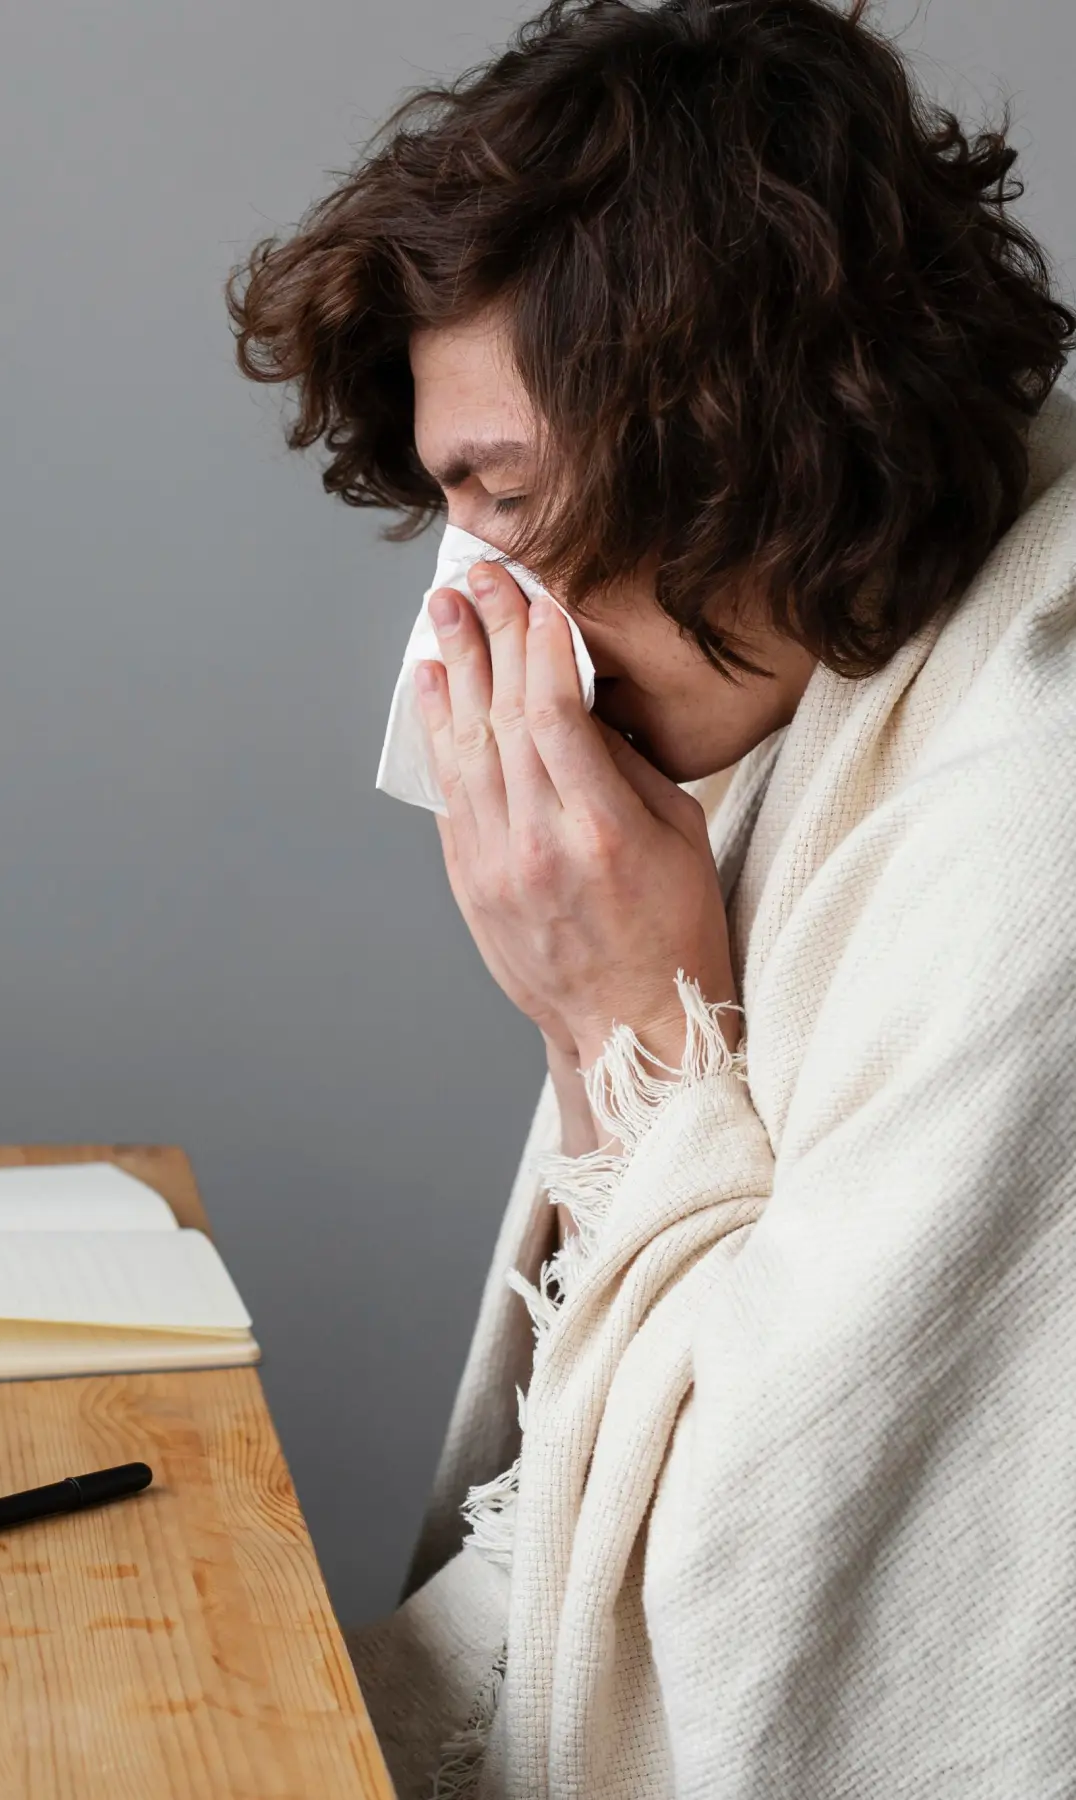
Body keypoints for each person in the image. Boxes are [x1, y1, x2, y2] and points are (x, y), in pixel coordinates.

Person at [228, 2, 1076, 1795]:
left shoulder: (1031, 838)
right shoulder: (820, 684)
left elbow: (796, 1633)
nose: (481, 611)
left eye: (512, 506)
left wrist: (620, 1025)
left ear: (743, 435)